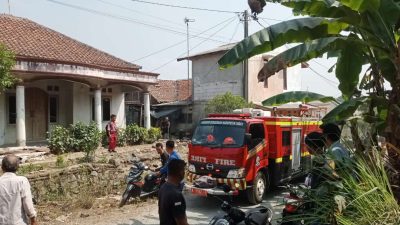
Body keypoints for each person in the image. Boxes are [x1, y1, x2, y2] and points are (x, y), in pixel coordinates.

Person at [0, 154, 38, 225]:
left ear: (2, 167)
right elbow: (28, 204)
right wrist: (33, 218)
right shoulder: (22, 181)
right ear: (17, 167)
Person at [158, 159, 189, 225]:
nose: (184, 172)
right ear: (181, 172)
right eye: (184, 170)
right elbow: (182, 223)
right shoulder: (176, 194)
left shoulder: (163, 187)